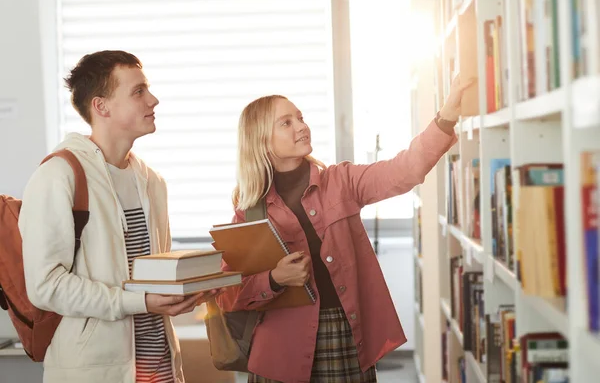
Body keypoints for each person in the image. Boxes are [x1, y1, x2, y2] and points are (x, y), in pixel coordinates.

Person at [216, 77, 473, 382]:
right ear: (261, 140)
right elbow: (229, 294)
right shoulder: (248, 211)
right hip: (278, 350)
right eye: (286, 123)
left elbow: (405, 169)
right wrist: (275, 279)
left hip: (342, 333)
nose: (301, 126)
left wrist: (446, 117)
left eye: (300, 117)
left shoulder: (341, 181)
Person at [19, 50, 217, 383]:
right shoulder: (58, 176)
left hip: (161, 369)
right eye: (138, 91)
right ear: (101, 106)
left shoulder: (152, 182)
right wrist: (138, 302)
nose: (153, 100)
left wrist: (192, 288)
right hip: (95, 372)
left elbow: (154, 278)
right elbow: (46, 286)